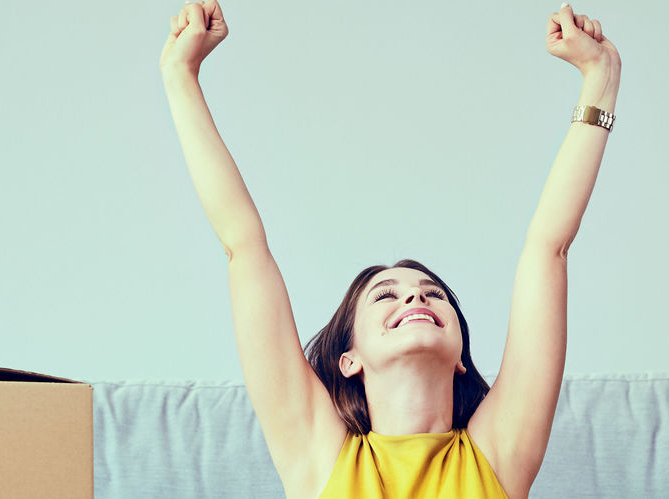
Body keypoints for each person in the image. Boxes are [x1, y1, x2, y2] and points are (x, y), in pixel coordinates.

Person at [159, 1, 618, 497]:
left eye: (432, 294)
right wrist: (180, 75)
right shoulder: (319, 455)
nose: (415, 300)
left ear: (462, 356)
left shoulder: (499, 452)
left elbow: (548, 248)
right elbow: (243, 246)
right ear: (350, 359)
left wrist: (601, 76)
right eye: (385, 297)